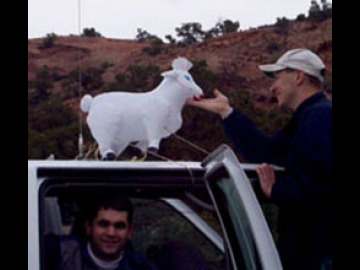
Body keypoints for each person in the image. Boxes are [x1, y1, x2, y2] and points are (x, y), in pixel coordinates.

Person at [187, 48, 332, 270]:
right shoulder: (309, 117)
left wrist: (277, 191)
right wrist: (227, 113)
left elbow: (321, 184)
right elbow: (268, 152)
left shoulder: (321, 117)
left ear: (298, 76)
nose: (273, 88)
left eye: (277, 78)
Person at [49, 195, 157, 270]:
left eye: (119, 226)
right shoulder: (60, 253)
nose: (111, 233)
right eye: (103, 224)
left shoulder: (141, 267)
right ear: (89, 227)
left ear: (129, 232)